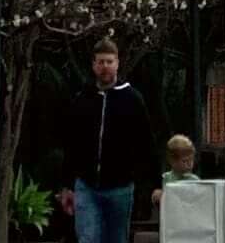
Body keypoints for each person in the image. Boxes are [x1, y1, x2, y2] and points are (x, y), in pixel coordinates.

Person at [66, 33, 158, 243]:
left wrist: (154, 183)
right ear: (93, 65)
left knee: (116, 239)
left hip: (120, 186)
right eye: (101, 62)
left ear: (117, 64)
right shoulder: (83, 99)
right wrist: (67, 185)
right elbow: (71, 144)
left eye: (109, 61)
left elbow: (147, 143)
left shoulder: (132, 99)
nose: (105, 66)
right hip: (87, 186)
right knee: (88, 238)